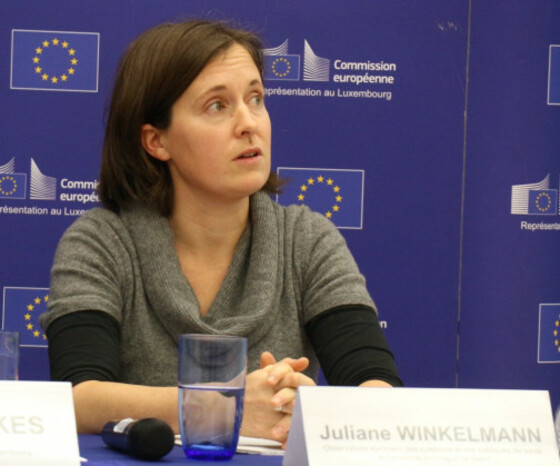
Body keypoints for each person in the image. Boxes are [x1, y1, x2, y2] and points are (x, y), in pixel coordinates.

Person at [39, 19, 402, 444]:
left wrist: (315, 406)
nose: (249, 123)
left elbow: (378, 388)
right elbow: (79, 397)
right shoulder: (100, 241)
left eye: (256, 98)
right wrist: (223, 405)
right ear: (157, 141)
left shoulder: (307, 239)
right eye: (217, 106)